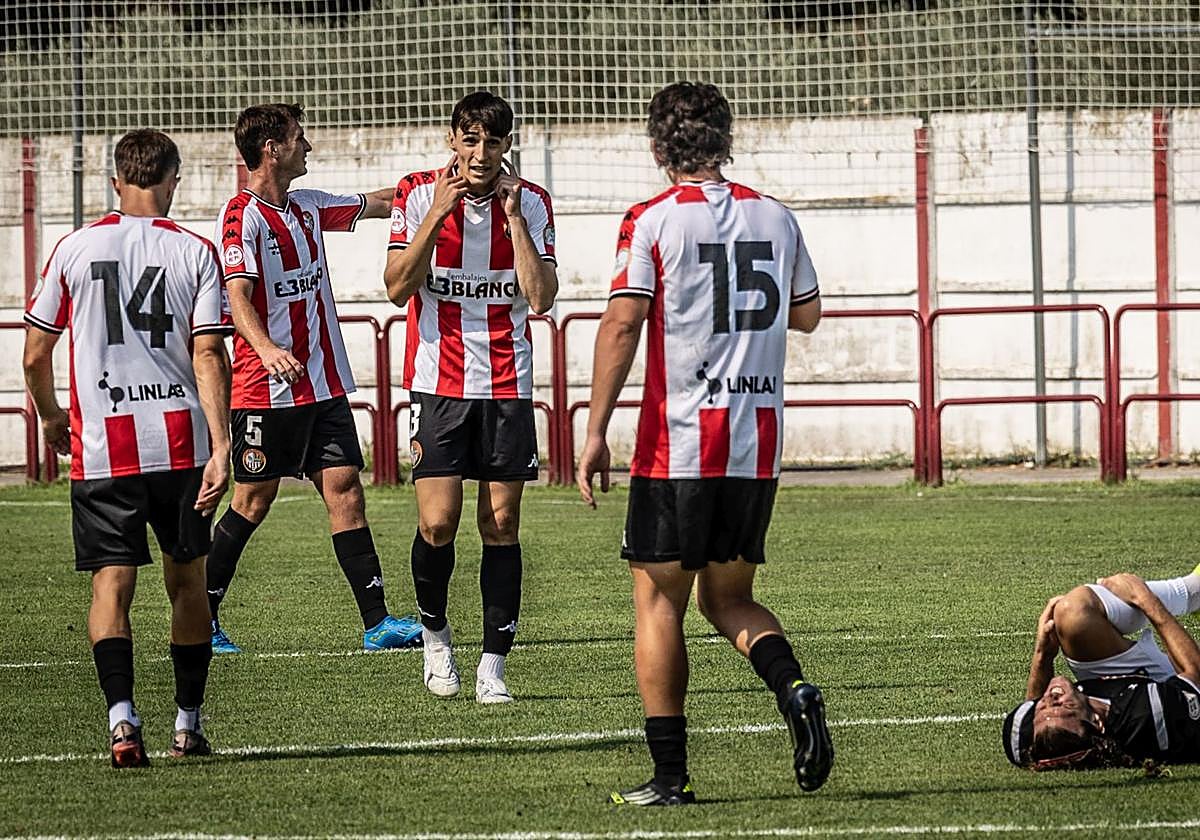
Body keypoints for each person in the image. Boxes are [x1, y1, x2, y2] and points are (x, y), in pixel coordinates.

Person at [576, 81, 832, 805]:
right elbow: (808, 314)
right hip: (755, 444)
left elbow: (623, 324)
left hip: (679, 444)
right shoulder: (776, 218)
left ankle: (669, 777)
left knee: (659, 605)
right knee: (731, 598)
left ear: (658, 147)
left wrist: (594, 432)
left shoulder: (651, 221)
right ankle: (795, 689)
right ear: (727, 139)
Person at [23, 129, 232, 767]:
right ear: (172, 179)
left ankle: (121, 721)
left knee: (111, 586)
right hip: (179, 446)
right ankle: (188, 726)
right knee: (186, 582)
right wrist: (222, 446)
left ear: (117, 181)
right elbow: (208, 354)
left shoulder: (74, 247)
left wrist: (53, 415)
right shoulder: (195, 251)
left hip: (102, 449)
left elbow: (35, 353)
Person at [206, 103, 421, 654]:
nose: (310, 147)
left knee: (346, 490)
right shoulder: (241, 216)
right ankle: (201, 617)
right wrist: (268, 346)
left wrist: (441, 183)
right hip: (265, 387)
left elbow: (376, 202)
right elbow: (237, 295)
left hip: (323, 384)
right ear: (272, 148)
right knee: (252, 499)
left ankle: (377, 624)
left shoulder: (306, 206)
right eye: (300, 139)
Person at [382, 91, 558, 704]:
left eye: (493, 141)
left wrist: (511, 221)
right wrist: (435, 213)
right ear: (452, 140)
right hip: (438, 383)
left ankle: (492, 667)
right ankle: (435, 640)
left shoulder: (531, 202)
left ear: (507, 145)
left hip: (508, 385)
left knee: (501, 523)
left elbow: (540, 299)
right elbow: (396, 287)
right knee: (437, 523)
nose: (481, 153)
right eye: (470, 139)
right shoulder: (415, 192)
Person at [1003, 567, 1200, 770]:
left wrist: (1042, 656)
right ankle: (1192, 593)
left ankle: (1194, 591)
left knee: (1072, 612)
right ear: (1097, 722)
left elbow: (1032, 704)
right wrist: (1144, 599)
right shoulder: (1143, 717)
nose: (1050, 698)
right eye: (1064, 707)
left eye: (1041, 709)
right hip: (1170, 691)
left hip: (1118, 685)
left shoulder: (1031, 738)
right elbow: (1195, 674)